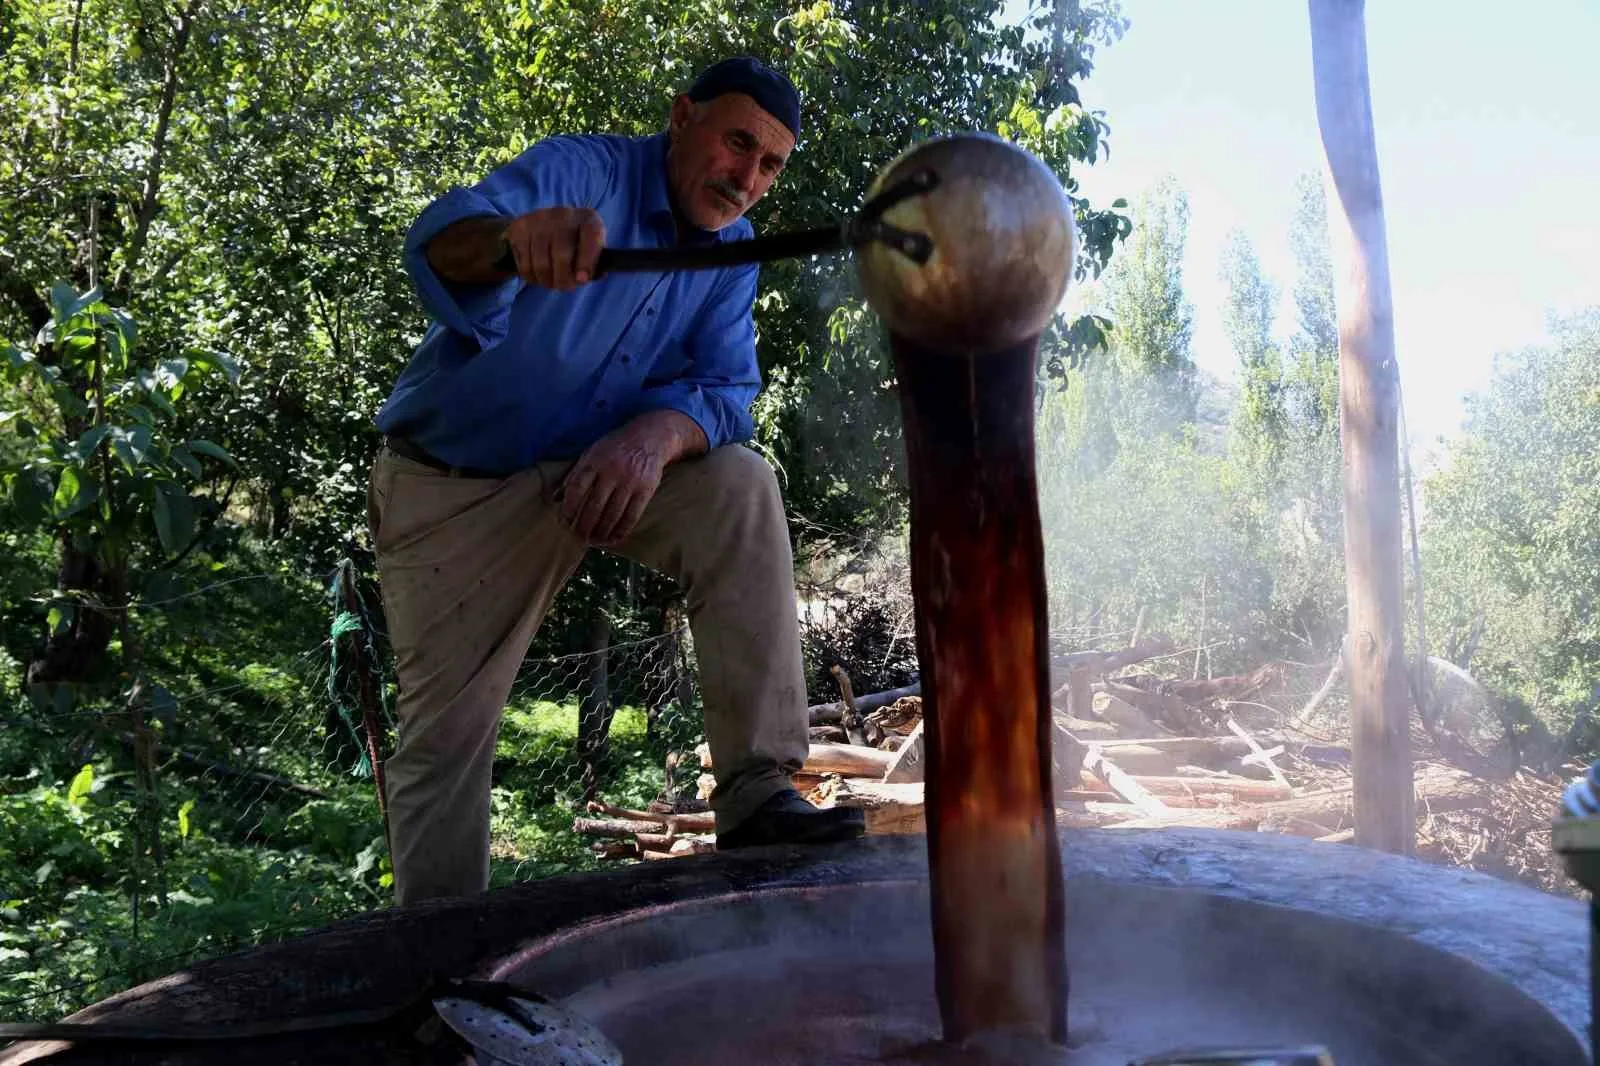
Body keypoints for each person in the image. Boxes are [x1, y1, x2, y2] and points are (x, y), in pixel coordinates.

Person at [368, 56, 866, 905]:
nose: (747, 179)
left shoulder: (734, 252)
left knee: (740, 484)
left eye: (770, 166)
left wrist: (655, 435)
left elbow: (725, 392)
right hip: (453, 488)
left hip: (596, 476)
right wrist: (505, 245)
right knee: (445, 745)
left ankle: (755, 793)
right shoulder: (582, 172)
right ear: (681, 118)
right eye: (737, 143)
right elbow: (438, 243)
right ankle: (441, 971)